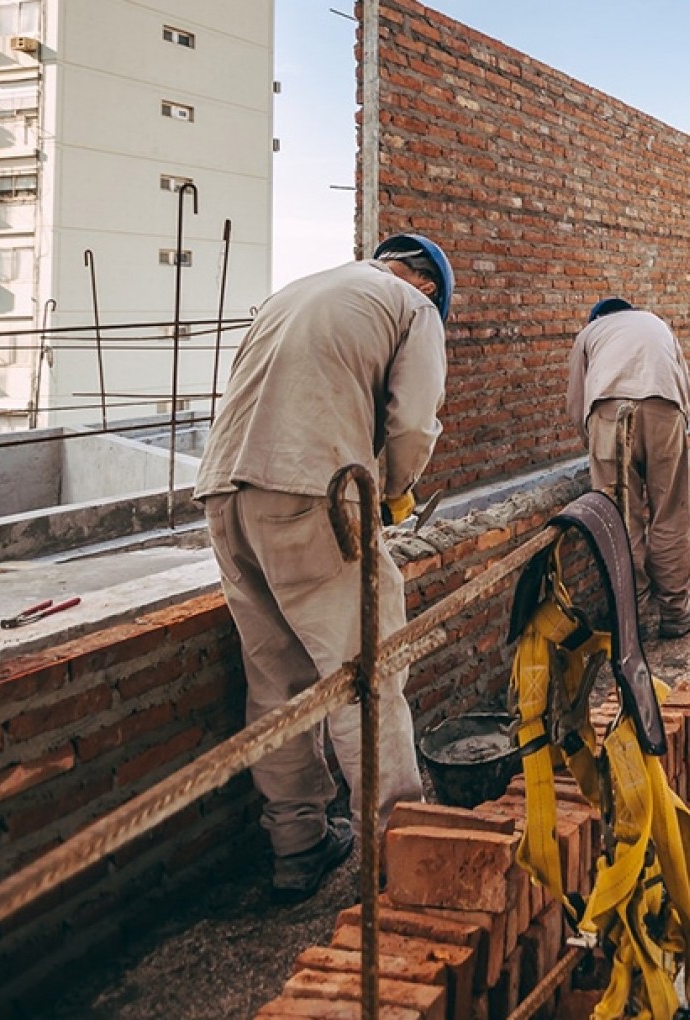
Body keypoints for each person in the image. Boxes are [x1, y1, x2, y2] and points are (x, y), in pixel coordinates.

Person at [194, 233, 453, 903]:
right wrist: (394, 493)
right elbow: (415, 423)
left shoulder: (298, 291)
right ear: (427, 284)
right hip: (312, 491)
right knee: (368, 672)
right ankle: (400, 857)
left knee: (275, 682)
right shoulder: (413, 307)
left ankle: (298, 846)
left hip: (224, 491)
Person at [566, 298, 690, 639]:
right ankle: (675, 611)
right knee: (670, 512)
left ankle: (634, 619)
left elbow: (576, 400)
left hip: (608, 413)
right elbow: (686, 390)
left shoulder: (589, 333)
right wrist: (673, 428)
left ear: (598, 318)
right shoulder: (656, 323)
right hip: (664, 408)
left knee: (620, 517)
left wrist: (594, 441)